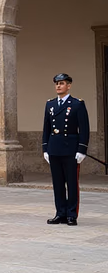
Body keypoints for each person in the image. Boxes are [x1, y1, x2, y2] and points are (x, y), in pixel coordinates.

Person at [42, 73, 89, 226]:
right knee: (58, 183)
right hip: (54, 148)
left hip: (71, 150)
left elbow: (84, 129)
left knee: (72, 183)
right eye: (56, 83)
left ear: (69, 86)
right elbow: (46, 128)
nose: (58, 86)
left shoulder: (77, 104)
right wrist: (45, 148)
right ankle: (60, 213)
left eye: (62, 83)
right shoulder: (50, 104)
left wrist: (82, 150)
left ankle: (71, 214)